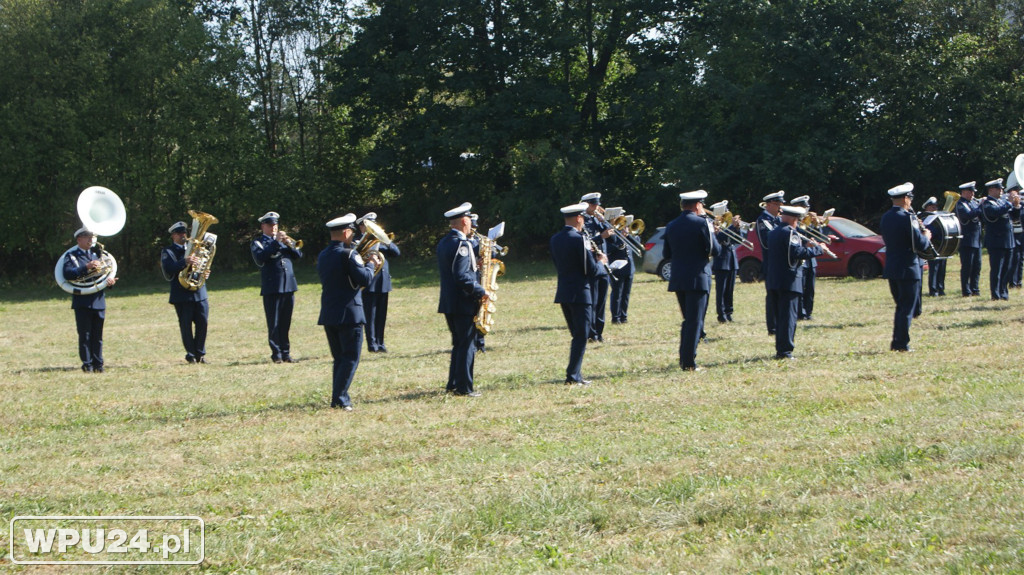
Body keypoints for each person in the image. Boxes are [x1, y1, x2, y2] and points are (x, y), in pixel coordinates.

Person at [317, 214, 382, 411]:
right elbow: (364, 279)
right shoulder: (349, 254)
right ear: (346, 232)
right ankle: (340, 398)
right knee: (350, 357)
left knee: (339, 358)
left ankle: (338, 395)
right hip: (350, 313)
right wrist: (371, 264)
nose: (353, 235)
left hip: (329, 312)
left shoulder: (323, 254)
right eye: (352, 232)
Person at [663, 190, 720, 371]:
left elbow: (666, 254)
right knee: (695, 321)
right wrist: (713, 233)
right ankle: (688, 362)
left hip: (679, 277)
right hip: (698, 276)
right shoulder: (702, 223)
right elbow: (715, 250)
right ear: (697, 205)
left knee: (688, 320)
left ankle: (684, 358)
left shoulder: (671, 225)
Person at [551, 202, 605, 385]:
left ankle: (575, 374)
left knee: (577, 335)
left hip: (564, 291)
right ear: (579, 218)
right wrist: (601, 263)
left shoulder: (555, 239)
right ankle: (573, 375)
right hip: (581, 292)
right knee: (581, 335)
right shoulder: (579, 239)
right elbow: (589, 269)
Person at [437, 202, 487, 397]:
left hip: (449, 301)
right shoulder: (462, 244)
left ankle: (453, 383)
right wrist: (480, 290)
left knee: (458, 344)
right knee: (467, 344)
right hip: (463, 301)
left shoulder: (444, 242)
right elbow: (461, 276)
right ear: (465, 221)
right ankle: (464, 387)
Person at [766, 205, 823, 359]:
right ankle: (785, 351)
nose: (798, 222)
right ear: (793, 219)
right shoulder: (791, 232)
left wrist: (805, 246)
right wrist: (818, 249)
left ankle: (781, 348)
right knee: (788, 318)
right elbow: (796, 254)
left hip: (774, 280)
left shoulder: (774, 232)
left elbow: (786, 252)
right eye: (797, 219)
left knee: (780, 317)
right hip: (789, 280)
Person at [880, 183, 931, 352]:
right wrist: (926, 235)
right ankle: (901, 343)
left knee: (900, 307)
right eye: (909, 198)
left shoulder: (886, 217)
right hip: (908, 267)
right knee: (906, 309)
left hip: (893, 267)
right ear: (904, 198)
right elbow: (920, 244)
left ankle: (897, 341)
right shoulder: (907, 218)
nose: (910, 202)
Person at [251, 211, 303, 363]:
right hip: (272, 286)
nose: (273, 228)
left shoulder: (284, 241)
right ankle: (276, 354)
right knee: (273, 323)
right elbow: (261, 258)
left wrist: (289, 244)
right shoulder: (258, 242)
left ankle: (286, 353)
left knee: (285, 322)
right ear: (263, 226)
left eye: (275, 225)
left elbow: (298, 255)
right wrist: (277, 242)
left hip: (288, 286)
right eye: (270, 225)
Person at [63, 227, 117, 372]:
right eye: (87, 237)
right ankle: (87, 364)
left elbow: (103, 275)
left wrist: (110, 283)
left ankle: (99, 364)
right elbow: (68, 274)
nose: (90, 240)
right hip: (82, 301)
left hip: (98, 300)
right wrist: (86, 267)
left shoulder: (97, 254)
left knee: (98, 335)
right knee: (85, 335)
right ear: (79, 239)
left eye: (91, 237)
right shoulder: (72, 256)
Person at [160, 221, 209, 364]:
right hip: (181, 294)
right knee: (186, 325)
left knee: (203, 323)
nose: (183, 236)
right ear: (173, 236)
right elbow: (169, 269)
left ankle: (200, 353)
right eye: (179, 233)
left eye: (184, 233)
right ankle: (191, 355)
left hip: (199, 292)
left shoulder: (195, 249)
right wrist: (184, 262)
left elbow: (202, 265)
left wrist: (205, 273)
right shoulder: (168, 251)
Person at [356, 212, 400, 353]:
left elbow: (396, 253)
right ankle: (372, 343)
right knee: (370, 315)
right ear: (362, 227)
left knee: (381, 315)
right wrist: (374, 244)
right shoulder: (358, 242)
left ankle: (381, 343)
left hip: (383, 282)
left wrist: (385, 240)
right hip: (369, 282)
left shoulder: (381, 242)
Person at [581, 192, 614, 342]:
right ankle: (591, 333)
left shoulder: (597, 219)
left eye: (597, 204)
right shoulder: (582, 221)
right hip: (592, 264)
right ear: (585, 204)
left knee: (601, 302)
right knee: (593, 301)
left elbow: (612, 236)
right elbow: (584, 242)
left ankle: (599, 332)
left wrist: (606, 222)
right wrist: (601, 236)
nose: (596, 207)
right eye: (593, 205)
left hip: (603, 264)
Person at [981, 178, 1021, 300]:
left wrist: (1016, 206)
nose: (1002, 191)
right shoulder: (988, 203)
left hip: (1008, 240)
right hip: (996, 240)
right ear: (991, 190)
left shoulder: (1001, 202)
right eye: (999, 189)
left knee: (1007, 269)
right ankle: (995, 294)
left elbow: (1013, 217)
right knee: (997, 269)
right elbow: (995, 213)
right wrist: (1009, 203)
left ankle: (1004, 292)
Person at [756, 191, 785, 334]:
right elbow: (767, 243)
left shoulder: (779, 220)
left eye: (781, 204)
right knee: (773, 296)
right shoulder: (763, 220)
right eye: (777, 204)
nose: (780, 207)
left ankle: (780, 323)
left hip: (782, 263)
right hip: (771, 263)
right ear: (768, 205)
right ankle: (772, 327)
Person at [788, 196, 818, 320]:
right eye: (804, 207)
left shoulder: (807, 221)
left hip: (811, 259)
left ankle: (808, 312)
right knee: (801, 287)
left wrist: (816, 224)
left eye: (807, 208)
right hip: (801, 259)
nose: (806, 210)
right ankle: (801, 313)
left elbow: (816, 236)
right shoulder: (795, 222)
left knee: (810, 288)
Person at [711, 211, 742, 323]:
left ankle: (729, 312)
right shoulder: (714, 224)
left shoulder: (727, 226)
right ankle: (721, 314)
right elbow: (719, 237)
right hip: (721, 262)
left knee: (730, 289)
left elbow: (738, 240)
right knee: (721, 290)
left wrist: (737, 228)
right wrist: (732, 227)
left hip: (732, 261)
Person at [955, 181, 983, 297]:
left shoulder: (973, 202)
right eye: (970, 192)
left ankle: (975, 288)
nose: (972, 194)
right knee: (967, 266)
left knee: (977, 265)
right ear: (964, 192)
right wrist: (981, 205)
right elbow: (968, 215)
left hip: (977, 239)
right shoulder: (960, 204)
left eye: (973, 192)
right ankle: (966, 290)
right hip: (967, 239)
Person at [606, 222, 634, 324]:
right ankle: (615, 317)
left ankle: (624, 316)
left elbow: (637, 242)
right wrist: (620, 238)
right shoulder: (611, 236)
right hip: (617, 268)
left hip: (630, 268)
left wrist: (628, 235)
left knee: (626, 294)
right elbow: (608, 249)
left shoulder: (629, 236)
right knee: (617, 293)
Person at [919, 197, 946, 296]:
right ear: (927, 207)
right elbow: (931, 232)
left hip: (942, 245)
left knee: (942, 268)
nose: (935, 208)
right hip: (933, 246)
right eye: (932, 206)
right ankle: (933, 290)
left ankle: (941, 288)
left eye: (936, 206)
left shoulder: (938, 218)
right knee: (934, 269)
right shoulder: (925, 219)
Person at [1010, 184, 1024, 288]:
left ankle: (1018, 281)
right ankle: (1012, 282)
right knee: (1014, 258)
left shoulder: (1021, 205)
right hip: (1013, 234)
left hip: (1021, 234)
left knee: (1020, 259)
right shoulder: (1009, 205)